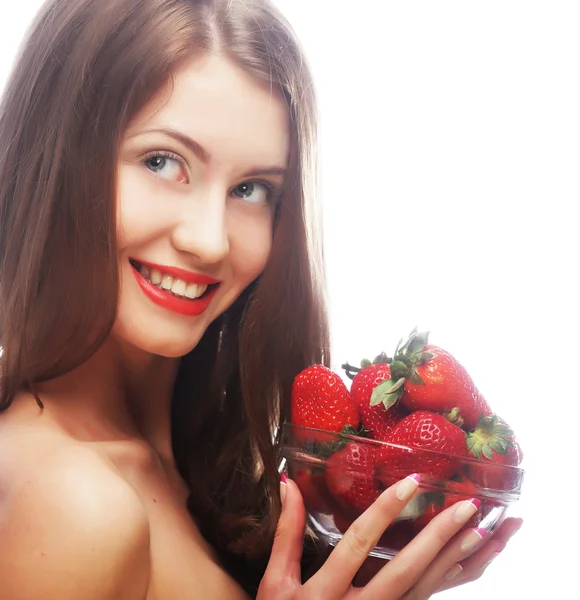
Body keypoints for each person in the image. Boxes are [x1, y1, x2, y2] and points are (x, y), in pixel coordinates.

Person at [0, 0, 521, 598]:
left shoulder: (211, 468)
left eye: (251, 189)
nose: (209, 239)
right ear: (56, 158)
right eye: (162, 161)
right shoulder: (75, 504)